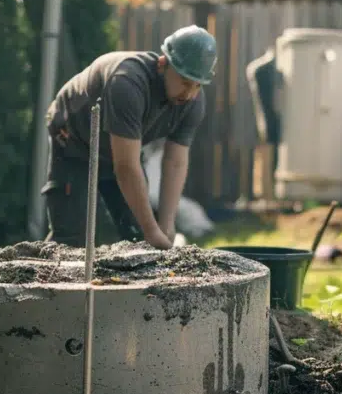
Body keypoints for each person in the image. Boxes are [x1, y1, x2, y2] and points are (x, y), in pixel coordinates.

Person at [42, 25, 216, 250]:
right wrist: (152, 231)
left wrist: (165, 226)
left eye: (197, 85)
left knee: (139, 236)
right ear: (163, 64)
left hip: (118, 148)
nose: (190, 93)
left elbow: (175, 162)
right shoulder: (128, 83)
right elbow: (125, 166)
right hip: (73, 139)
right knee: (70, 240)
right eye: (184, 82)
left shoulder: (193, 103)